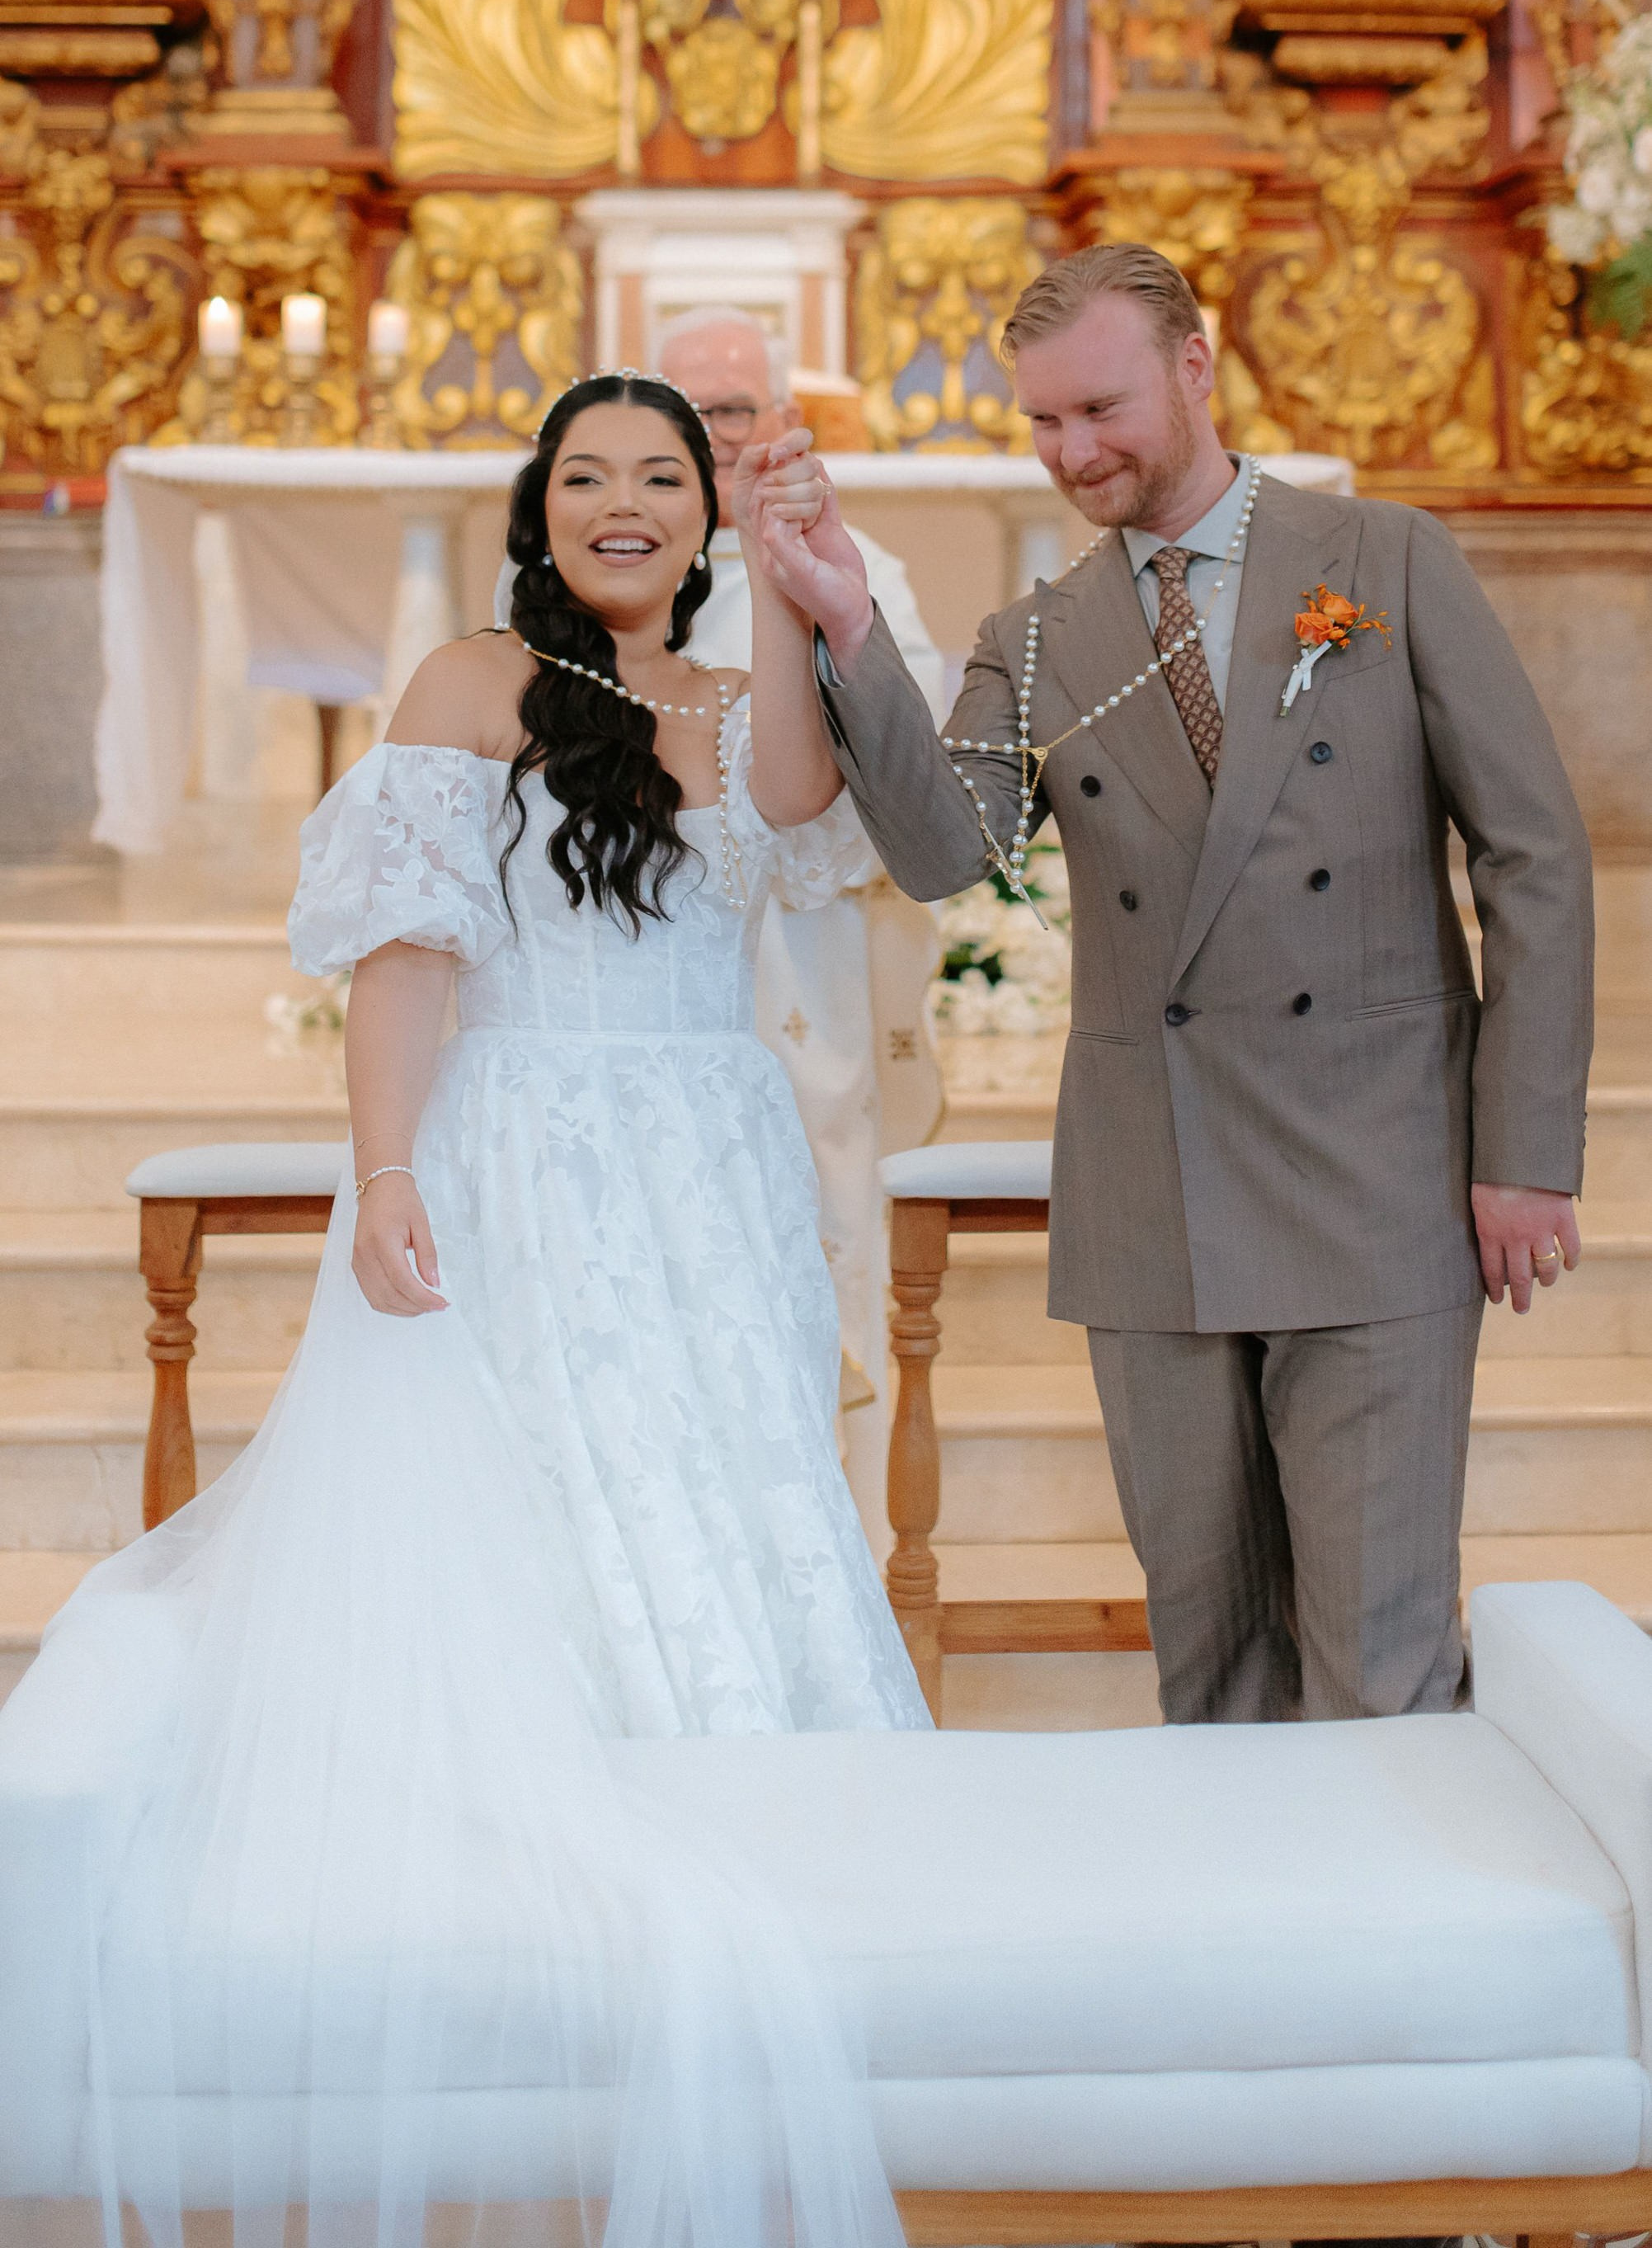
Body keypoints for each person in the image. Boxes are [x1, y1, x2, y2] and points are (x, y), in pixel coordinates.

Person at [0, 372, 925, 2248]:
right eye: (588, 477)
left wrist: (807, 579)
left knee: (724, 1477)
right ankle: (531, 1927)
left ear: (700, 519)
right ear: (541, 507)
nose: (624, 506)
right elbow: (409, 953)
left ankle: (796, 1853)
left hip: (709, 1155)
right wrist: (391, 1168)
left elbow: (827, 820)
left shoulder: (752, 702)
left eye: (661, 479)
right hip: (521, 1145)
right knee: (545, 1477)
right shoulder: (462, 687)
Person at [745, 241, 1595, 1733]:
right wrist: (851, 630)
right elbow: (951, 852)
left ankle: (1401, 1965)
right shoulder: (1037, 635)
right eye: (1043, 424)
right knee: (1213, 1676)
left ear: (1195, 368)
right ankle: (1253, 1961)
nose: (1074, 453)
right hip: (1159, 1194)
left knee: (1381, 1661)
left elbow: (1533, 859)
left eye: (1102, 410)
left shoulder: (1387, 560)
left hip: (1379, 1171)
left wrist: (1523, 1154)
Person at [657, 308, 946, 1510]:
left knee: (808, 1241)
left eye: (732, 409)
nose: (710, 436)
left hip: (799, 970)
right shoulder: (600, 555)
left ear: (783, 417)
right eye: (686, 409)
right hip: (651, 973)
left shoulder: (856, 562)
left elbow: (912, 766)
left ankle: (826, 1539)